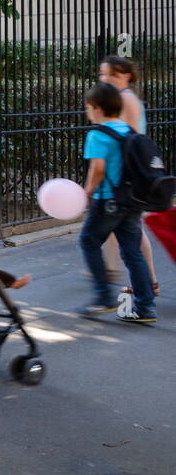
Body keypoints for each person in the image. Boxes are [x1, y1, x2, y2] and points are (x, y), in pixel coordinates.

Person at [78, 82, 156, 322]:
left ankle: (103, 297)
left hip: (108, 201)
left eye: (89, 107)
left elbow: (98, 169)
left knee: (89, 241)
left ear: (98, 109)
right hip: (132, 200)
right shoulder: (129, 131)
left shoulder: (97, 134)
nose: (88, 112)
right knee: (133, 253)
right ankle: (145, 308)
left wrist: (87, 193)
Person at [98, 56, 159, 296]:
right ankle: (117, 270)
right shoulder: (120, 99)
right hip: (120, 176)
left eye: (112, 74)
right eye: (104, 74)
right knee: (125, 228)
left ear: (127, 76)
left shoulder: (126, 99)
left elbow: (133, 140)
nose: (106, 79)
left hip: (127, 176)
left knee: (131, 230)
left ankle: (148, 281)